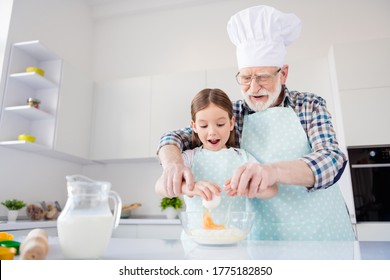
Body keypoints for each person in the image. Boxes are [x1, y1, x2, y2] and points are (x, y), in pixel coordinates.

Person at [157, 5, 355, 240]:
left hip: (322, 232)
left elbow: (332, 160)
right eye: (245, 77)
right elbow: (174, 138)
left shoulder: (309, 106)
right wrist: (173, 164)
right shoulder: (233, 115)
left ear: (283, 74)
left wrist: (272, 171)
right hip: (263, 238)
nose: (253, 88)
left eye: (262, 77)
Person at [155, 88, 278, 226]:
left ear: (231, 123)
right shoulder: (189, 158)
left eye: (220, 124)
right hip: (196, 237)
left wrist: (249, 187)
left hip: (235, 237)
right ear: (194, 126)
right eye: (203, 125)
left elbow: (272, 189)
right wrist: (189, 188)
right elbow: (159, 186)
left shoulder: (243, 157)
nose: (212, 132)